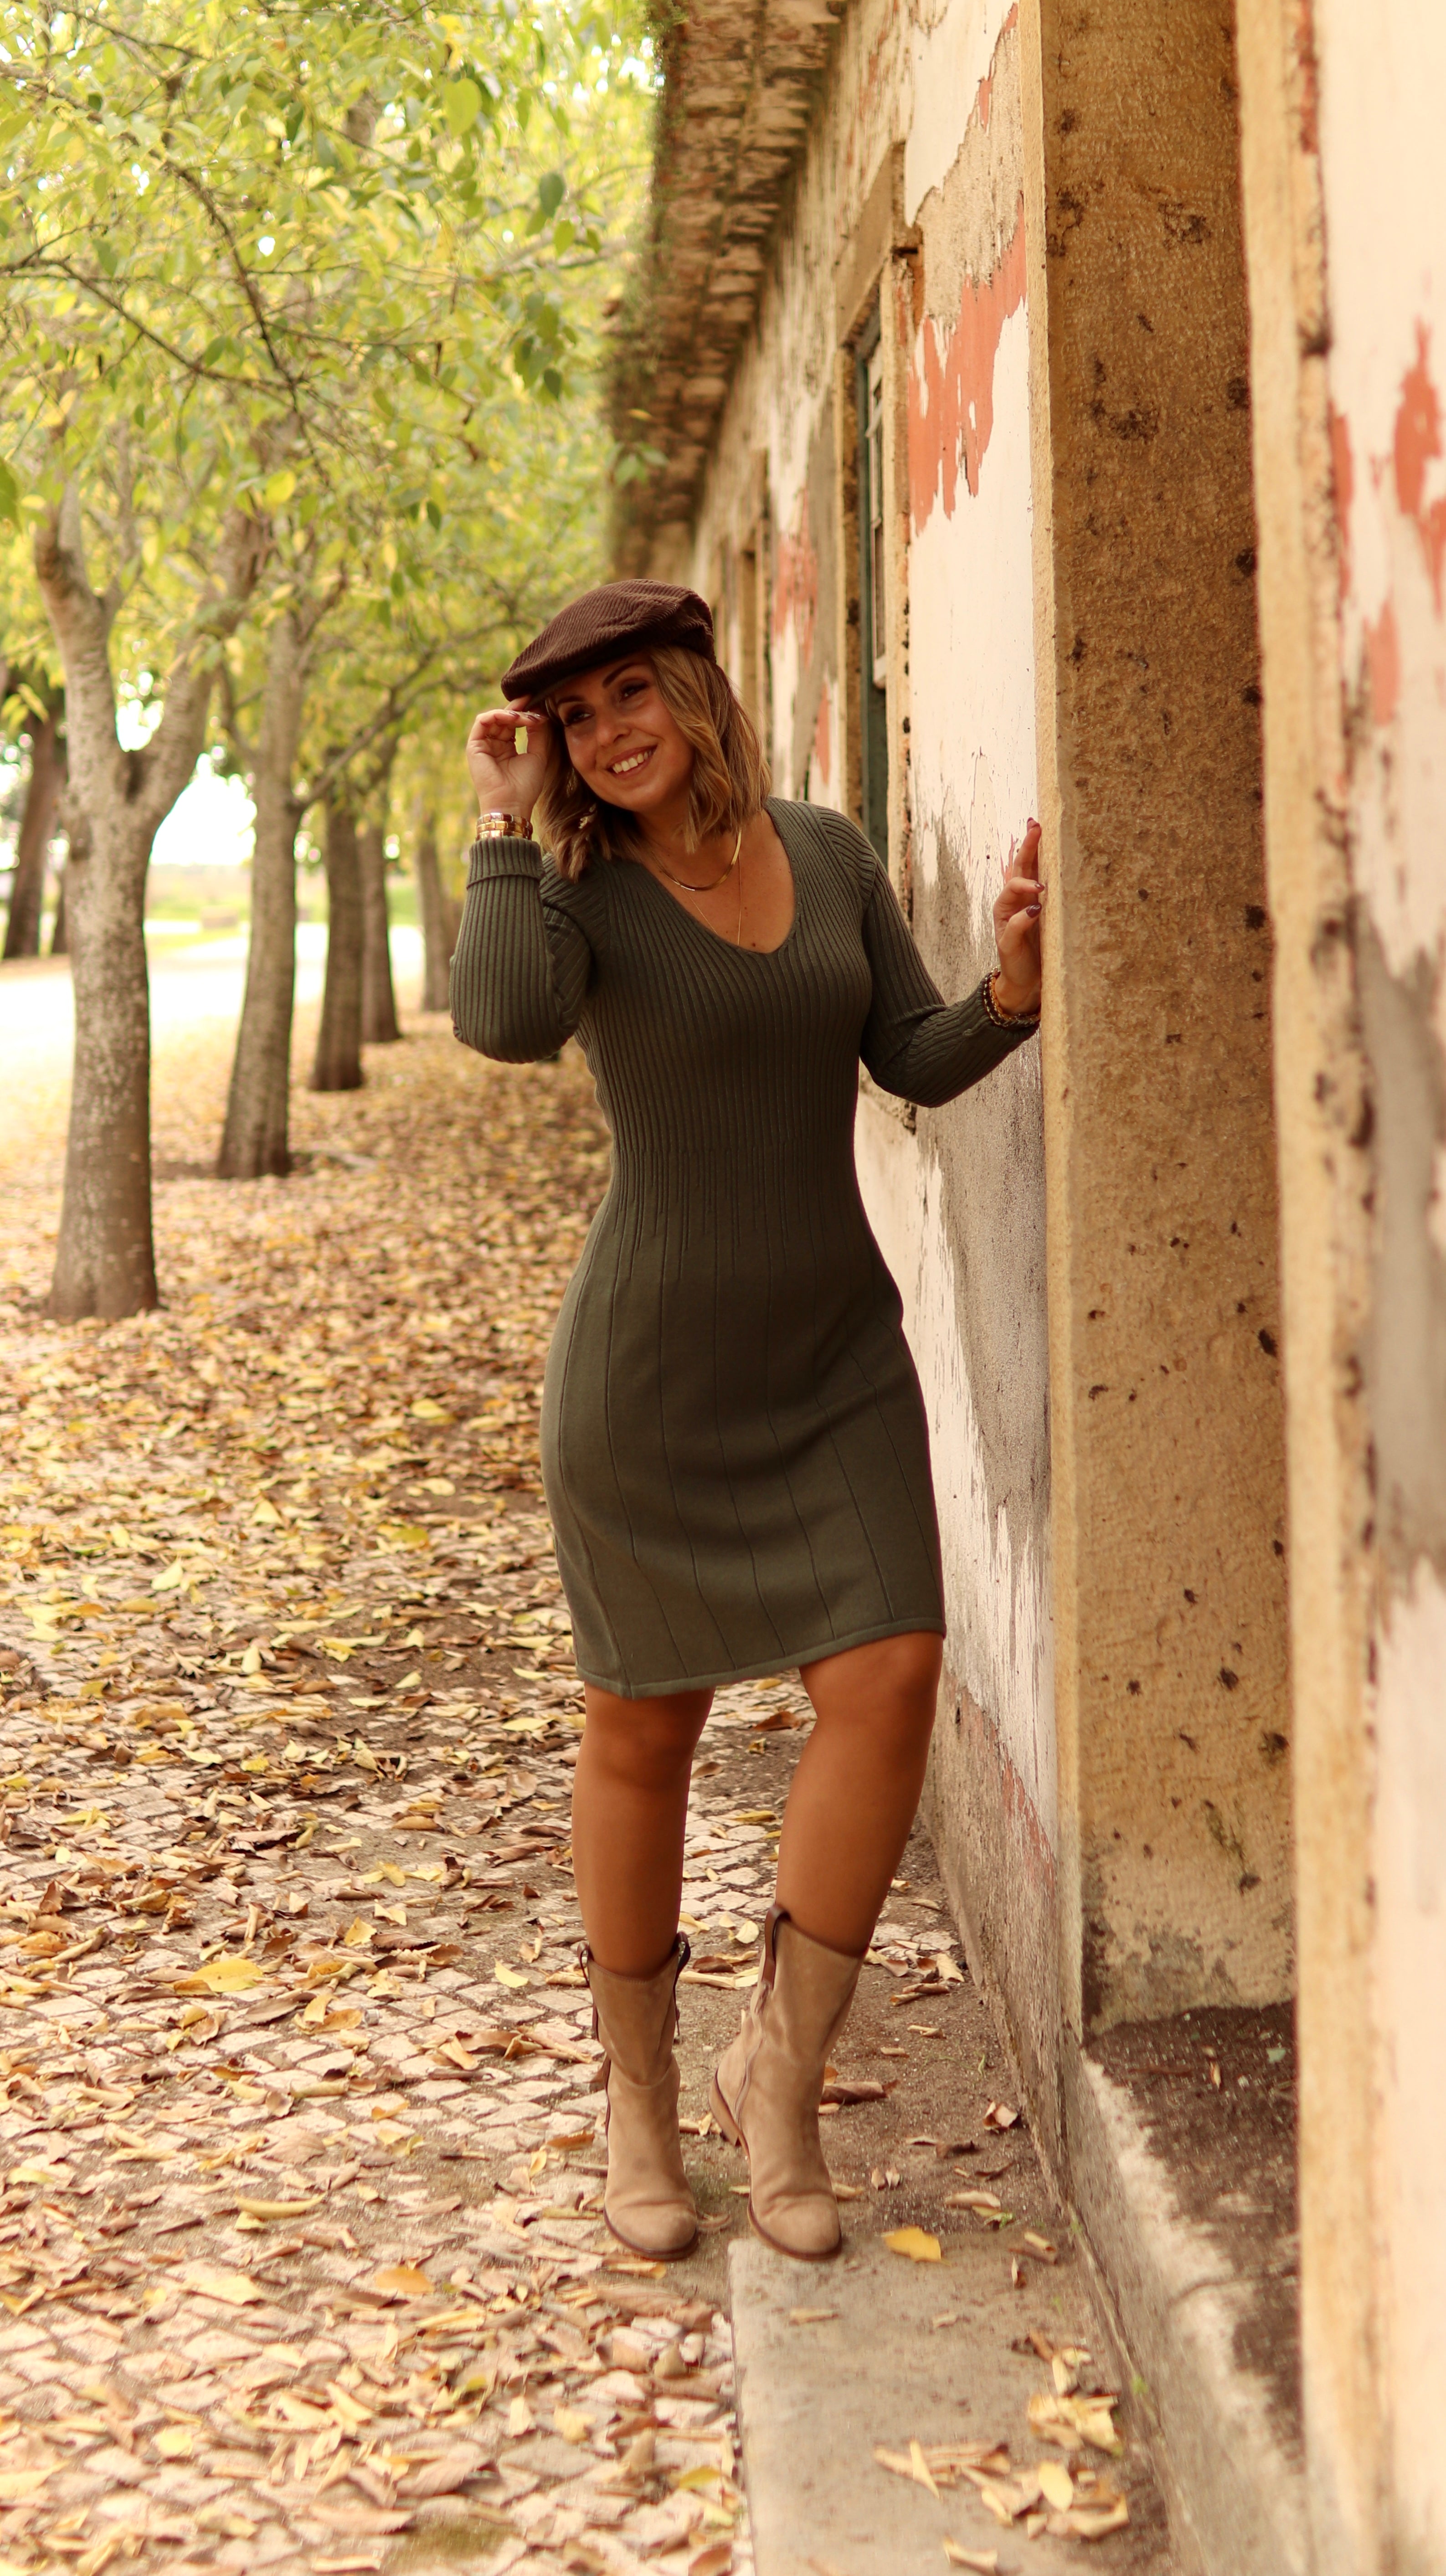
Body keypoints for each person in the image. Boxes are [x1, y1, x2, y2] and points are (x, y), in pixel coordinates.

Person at [453, 579, 1042, 2263]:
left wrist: (1009, 993)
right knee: (645, 1731)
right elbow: (502, 1022)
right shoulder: (576, 893)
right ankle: (640, 2101)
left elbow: (907, 1056)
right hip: (649, 1383)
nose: (606, 734)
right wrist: (503, 827)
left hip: (834, 1358)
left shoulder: (830, 852)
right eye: (574, 719)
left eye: (631, 694)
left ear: (696, 690)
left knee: (892, 1676)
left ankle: (777, 2080)